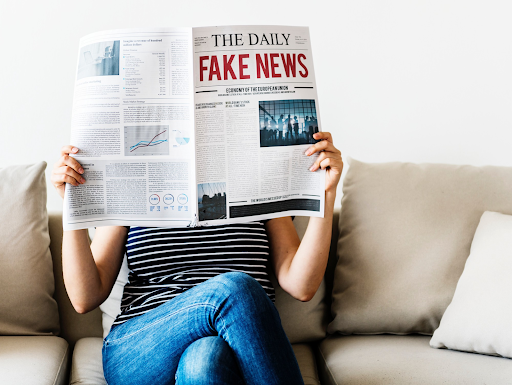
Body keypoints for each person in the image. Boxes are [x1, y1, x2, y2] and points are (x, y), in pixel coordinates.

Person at [51, 132, 343, 385]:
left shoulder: (257, 180)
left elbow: (301, 285)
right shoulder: (136, 178)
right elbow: (84, 297)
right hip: (140, 349)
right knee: (234, 289)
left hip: (229, 348)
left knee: (204, 359)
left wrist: (326, 193)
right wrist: (73, 209)